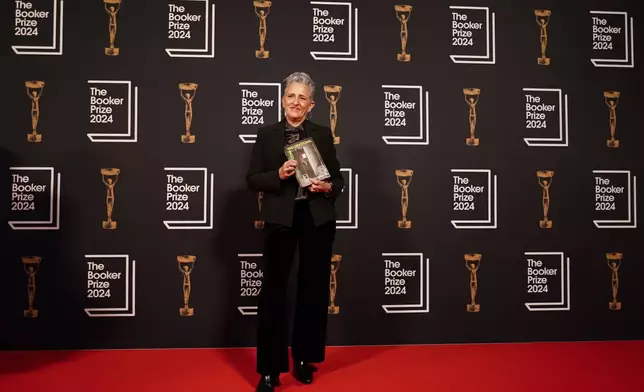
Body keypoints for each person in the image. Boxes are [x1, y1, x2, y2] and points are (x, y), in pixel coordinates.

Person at [246, 72, 344, 392]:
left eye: (302, 97)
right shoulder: (267, 134)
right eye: (291, 96)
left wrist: (326, 186)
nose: (295, 102)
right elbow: (252, 179)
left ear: (312, 105)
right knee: (274, 293)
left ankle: (304, 358)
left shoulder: (322, 134)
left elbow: (339, 182)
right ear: (282, 99)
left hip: (316, 218)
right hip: (280, 220)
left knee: (313, 289)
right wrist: (278, 173)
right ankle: (270, 371)